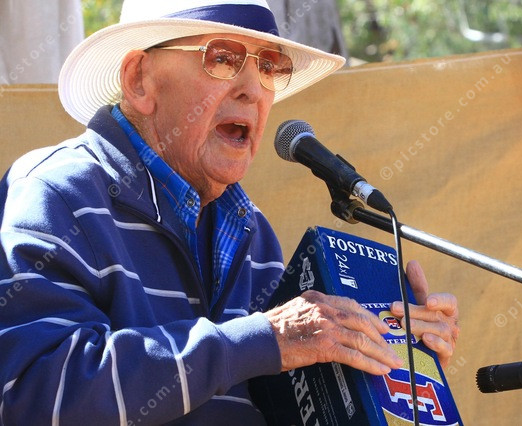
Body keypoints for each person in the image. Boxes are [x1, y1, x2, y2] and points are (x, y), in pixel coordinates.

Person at [0, 0, 459, 424]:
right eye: (222, 58)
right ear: (139, 79)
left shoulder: (252, 231)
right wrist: (262, 339)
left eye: (269, 67)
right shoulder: (57, 192)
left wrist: (390, 361)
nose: (253, 91)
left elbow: (280, 401)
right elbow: (31, 394)